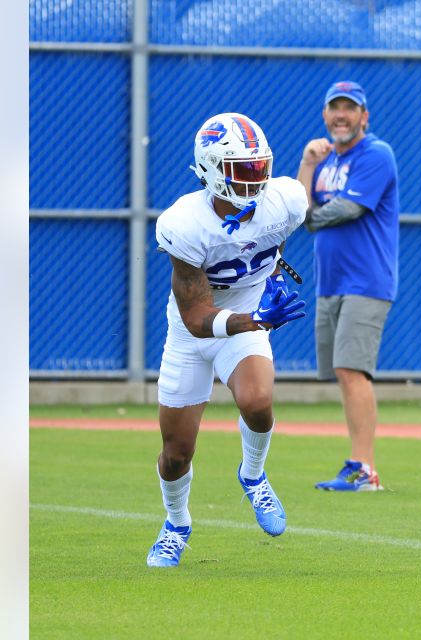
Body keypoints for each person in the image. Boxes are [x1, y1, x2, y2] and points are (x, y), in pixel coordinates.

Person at [146, 112, 310, 568]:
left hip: (249, 318)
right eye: (244, 170)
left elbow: (273, 237)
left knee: (258, 401)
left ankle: (253, 475)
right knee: (176, 454)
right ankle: (177, 523)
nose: (257, 180)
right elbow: (198, 317)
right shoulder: (186, 223)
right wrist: (254, 316)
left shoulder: (285, 201)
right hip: (193, 332)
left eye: (260, 168)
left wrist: (273, 270)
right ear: (211, 170)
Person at [295, 81, 399, 492]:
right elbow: (294, 211)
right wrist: (305, 165)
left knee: (352, 371)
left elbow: (341, 210)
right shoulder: (321, 161)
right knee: (343, 373)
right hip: (330, 282)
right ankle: (357, 464)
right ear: (325, 115)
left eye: (349, 108)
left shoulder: (376, 154)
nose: (341, 115)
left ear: (364, 116)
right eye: (334, 108)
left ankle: (364, 470)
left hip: (366, 280)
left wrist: (307, 214)